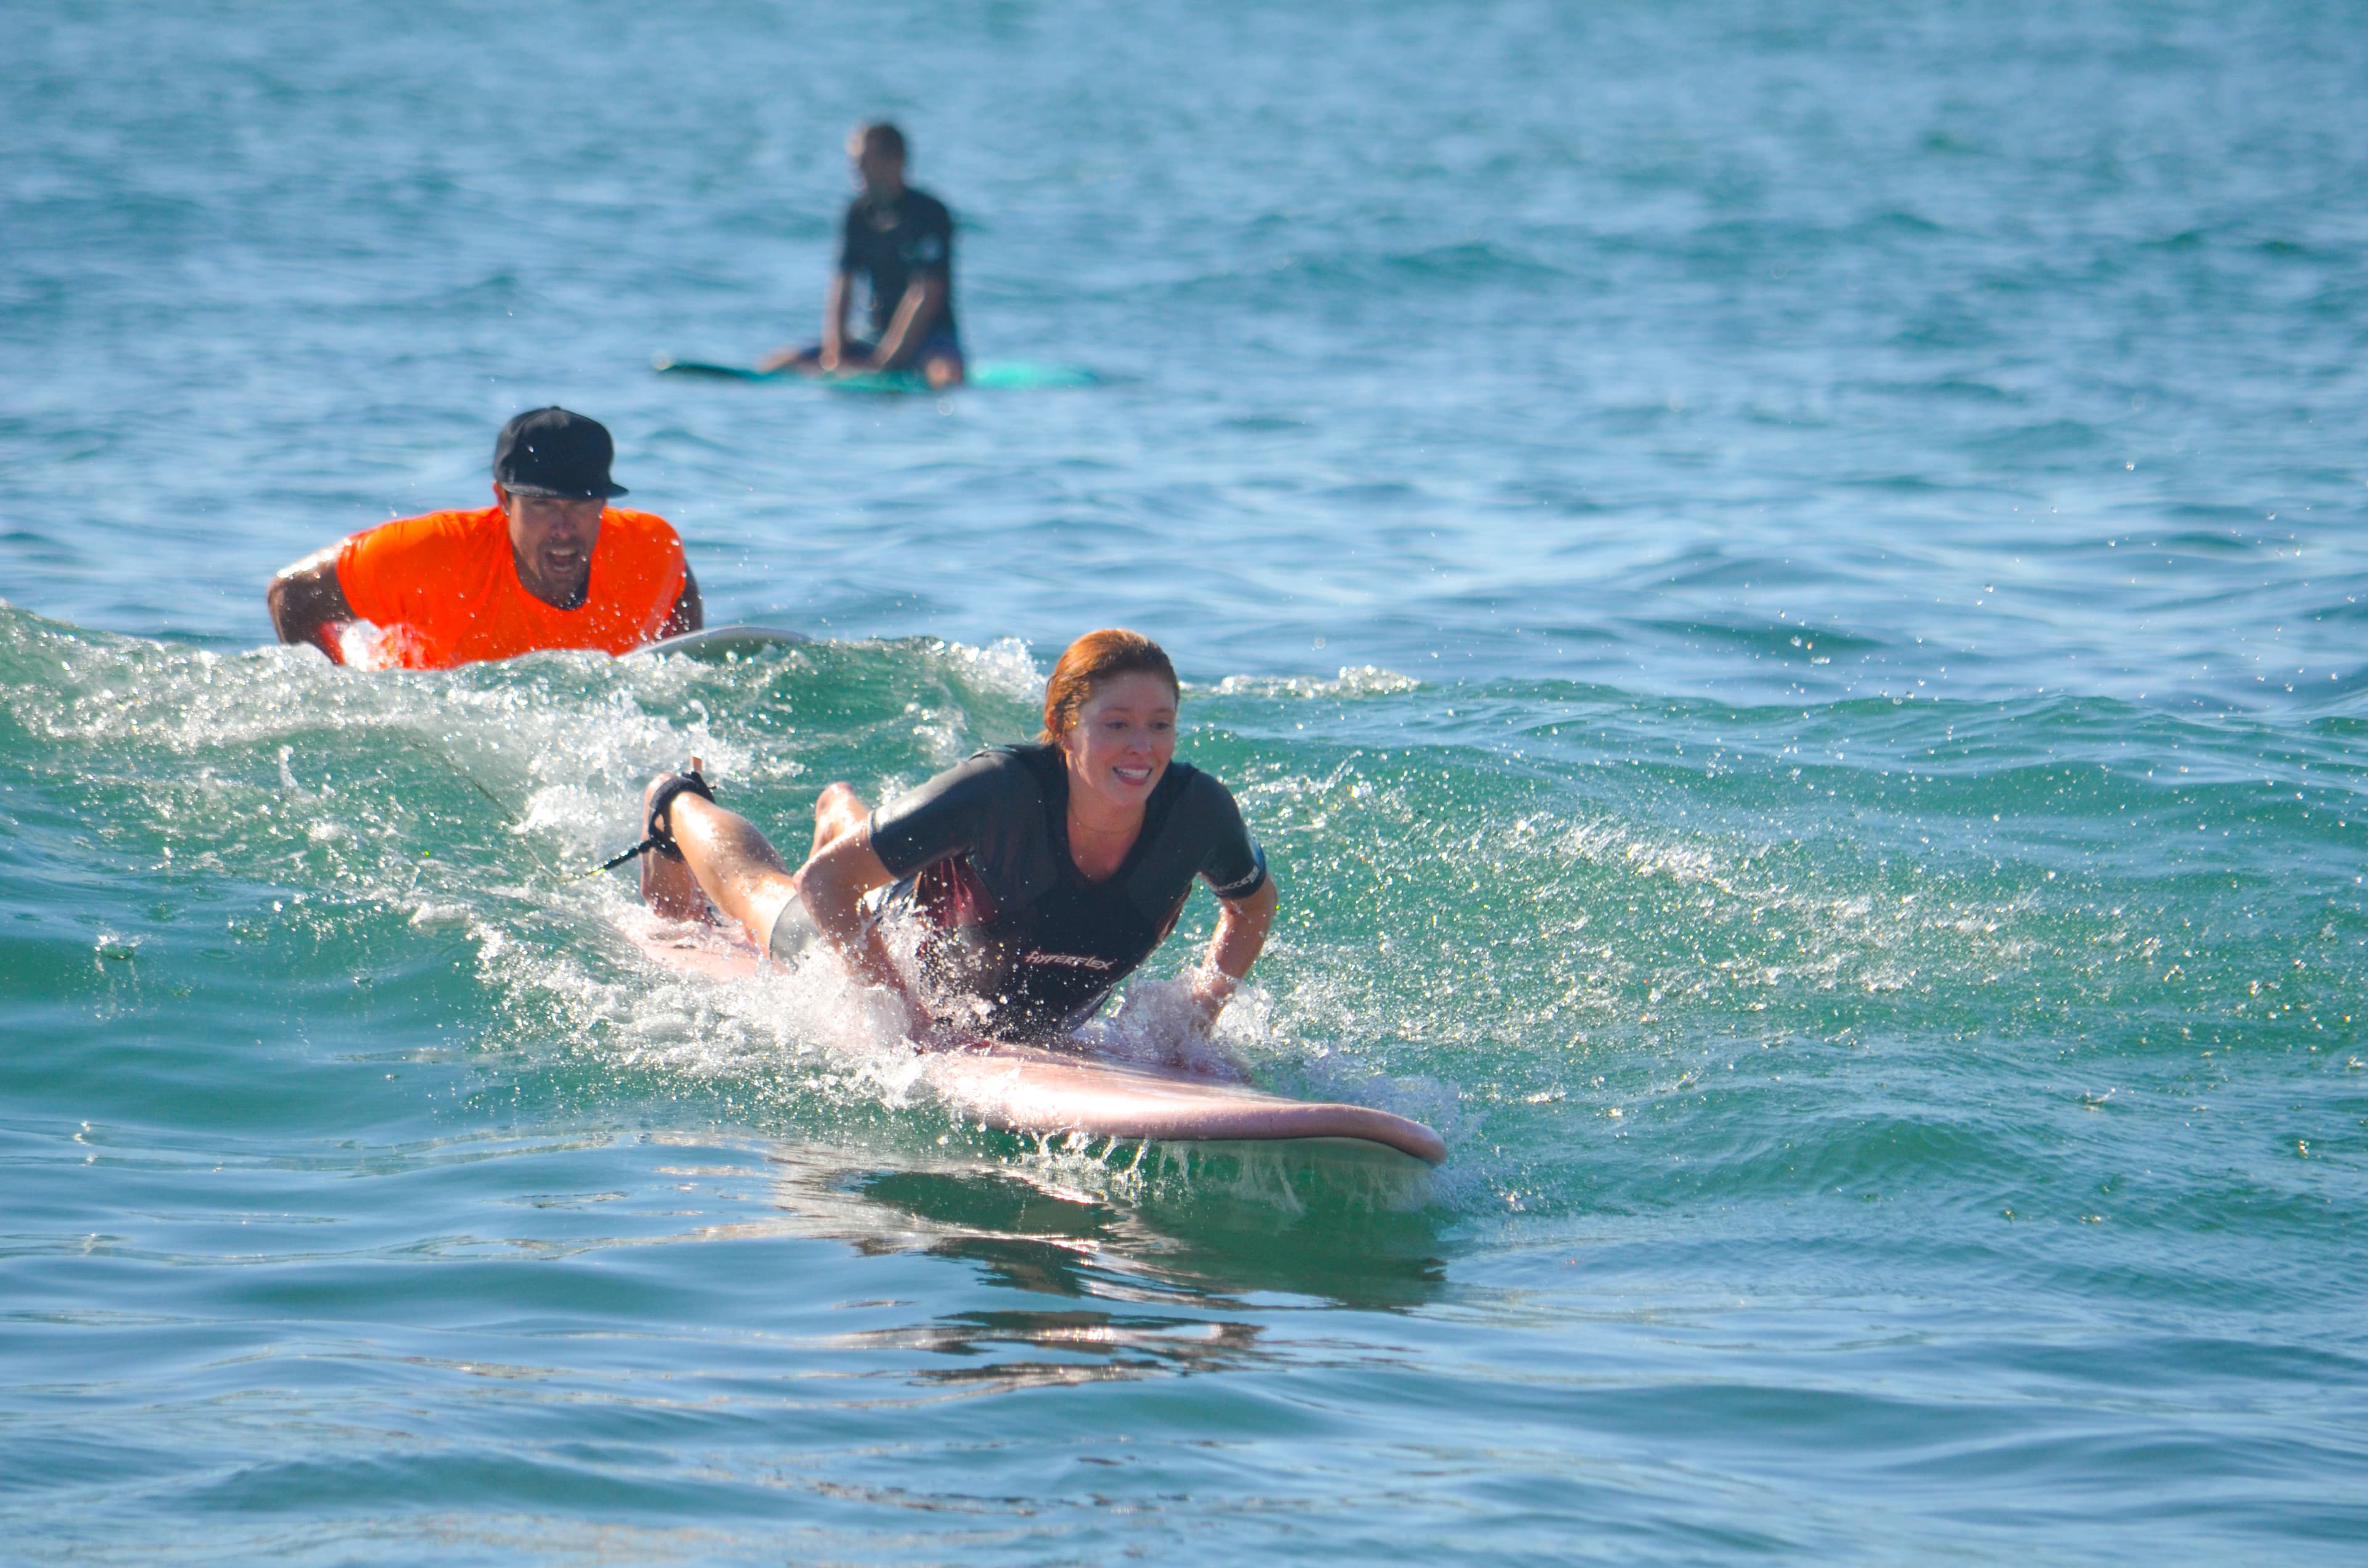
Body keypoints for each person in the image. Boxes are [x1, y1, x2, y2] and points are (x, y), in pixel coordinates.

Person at [636, 630, 1276, 1045]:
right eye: (1117, 724)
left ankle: (846, 820)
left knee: (866, 852)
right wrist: (899, 1016)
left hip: (1007, 1013)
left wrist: (1198, 1014)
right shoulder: (998, 791)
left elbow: (1252, 905)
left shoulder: (1198, 811)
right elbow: (825, 882)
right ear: (1062, 725)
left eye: (1160, 724)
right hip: (891, 939)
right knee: (767, 903)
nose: (1143, 747)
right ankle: (676, 802)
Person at [266, 408, 701, 670]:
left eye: (581, 504)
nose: (564, 528)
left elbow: (677, 579)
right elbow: (293, 594)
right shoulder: (433, 555)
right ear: (503, 501)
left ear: (604, 503)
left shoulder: (648, 547)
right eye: (542, 506)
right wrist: (345, 705)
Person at [759, 122, 964, 389]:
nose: (856, 171)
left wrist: (888, 360)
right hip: (874, 335)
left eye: (864, 161)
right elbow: (843, 284)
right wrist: (835, 353)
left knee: (946, 378)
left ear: (895, 161)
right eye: (855, 162)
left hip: (930, 338)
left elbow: (926, 292)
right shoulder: (857, 214)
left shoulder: (930, 214)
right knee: (775, 366)